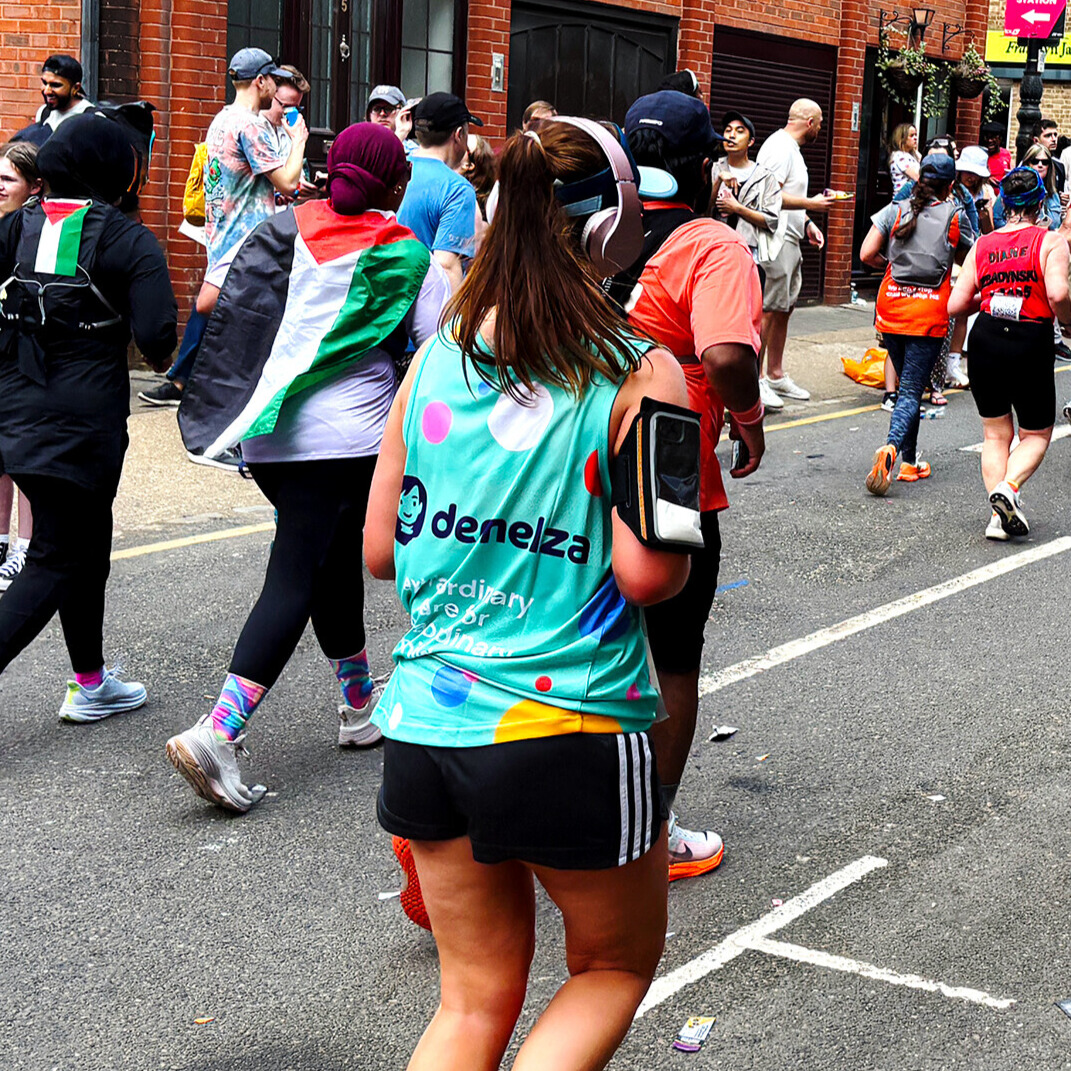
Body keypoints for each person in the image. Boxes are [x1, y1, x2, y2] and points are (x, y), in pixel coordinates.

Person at [364, 116, 689, 1071]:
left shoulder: (435, 357)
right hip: (572, 722)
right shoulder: (642, 369)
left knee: (468, 1001)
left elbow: (381, 549)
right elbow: (647, 574)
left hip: (425, 719)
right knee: (610, 965)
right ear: (613, 230)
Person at [167, 123, 449, 811]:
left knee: (327, 565)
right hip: (348, 441)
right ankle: (218, 733)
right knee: (296, 572)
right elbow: (436, 355)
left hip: (264, 436)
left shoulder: (276, 230)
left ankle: (358, 705)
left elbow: (221, 313)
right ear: (394, 183)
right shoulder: (404, 254)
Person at [615, 90, 765, 882]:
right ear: (705, 165)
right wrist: (749, 419)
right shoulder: (712, 245)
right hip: (666, 466)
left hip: (568, 456)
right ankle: (649, 830)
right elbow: (729, 354)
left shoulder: (590, 229)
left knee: (586, 636)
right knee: (672, 654)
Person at [0, 114, 177, 716]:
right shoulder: (129, 239)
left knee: (86, 541)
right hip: (85, 422)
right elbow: (157, 337)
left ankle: (91, 682)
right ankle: (90, 683)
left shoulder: (17, 226)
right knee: (55, 555)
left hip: (17, 410)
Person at [948, 167, 1071, 540]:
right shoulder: (1050, 243)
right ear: (1039, 203)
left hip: (984, 339)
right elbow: (1059, 295)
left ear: (1003, 203)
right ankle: (1010, 488)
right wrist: (1068, 324)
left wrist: (992, 297)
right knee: (1035, 434)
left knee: (994, 434)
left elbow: (955, 304)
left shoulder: (983, 244)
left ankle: (997, 518)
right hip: (1029, 340)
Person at [860, 153, 972, 494]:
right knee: (911, 390)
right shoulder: (955, 216)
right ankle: (891, 449)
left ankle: (909, 462)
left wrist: (892, 268)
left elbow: (866, 254)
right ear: (951, 185)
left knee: (908, 386)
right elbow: (971, 260)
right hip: (928, 314)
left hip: (891, 308)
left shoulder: (895, 209)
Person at [198, 48, 309, 321]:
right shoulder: (251, 125)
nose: (274, 87)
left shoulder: (221, 119)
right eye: (273, 79)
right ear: (261, 81)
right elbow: (288, 182)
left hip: (219, 243)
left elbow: (238, 183)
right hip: (245, 248)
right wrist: (299, 140)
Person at [755, 98, 838, 411]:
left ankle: (775, 374)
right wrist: (813, 205)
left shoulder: (792, 150)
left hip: (790, 238)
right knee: (768, 310)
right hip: (773, 240)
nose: (821, 128)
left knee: (784, 308)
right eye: (819, 122)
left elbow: (791, 195)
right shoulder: (778, 147)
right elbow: (768, 196)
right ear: (809, 121)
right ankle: (757, 379)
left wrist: (807, 222)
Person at [0, 142, 41, 589]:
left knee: (22, 454)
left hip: (22, 358)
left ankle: (25, 547)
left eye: (7, 179)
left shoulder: (33, 235)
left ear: (33, 187)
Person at [398, 92, 482, 293]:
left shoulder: (394, 170)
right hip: (418, 308)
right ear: (459, 134)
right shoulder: (457, 190)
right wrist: (454, 323)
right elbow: (446, 265)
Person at [711, 110, 781, 264]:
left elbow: (772, 220)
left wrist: (737, 208)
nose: (731, 135)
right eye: (728, 130)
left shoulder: (765, 177)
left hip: (750, 254)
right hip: (716, 249)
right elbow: (701, 212)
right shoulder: (714, 168)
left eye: (739, 131)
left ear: (750, 142)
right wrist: (717, 181)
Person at [19, 55, 96, 143]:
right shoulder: (44, 112)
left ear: (75, 88)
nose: (47, 91)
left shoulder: (92, 118)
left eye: (55, 85)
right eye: (44, 83)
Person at [1031, 118, 1065, 195]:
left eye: (1055, 135)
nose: (1053, 139)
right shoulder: (1028, 163)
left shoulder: (1059, 166)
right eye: (1048, 135)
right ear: (1036, 140)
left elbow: (1059, 192)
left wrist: (1063, 198)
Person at [888, 123, 920, 195]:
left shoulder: (909, 155)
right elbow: (917, 176)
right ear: (902, 139)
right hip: (903, 200)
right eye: (911, 135)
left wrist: (916, 152)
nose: (915, 138)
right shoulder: (900, 156)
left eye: (916, 135)